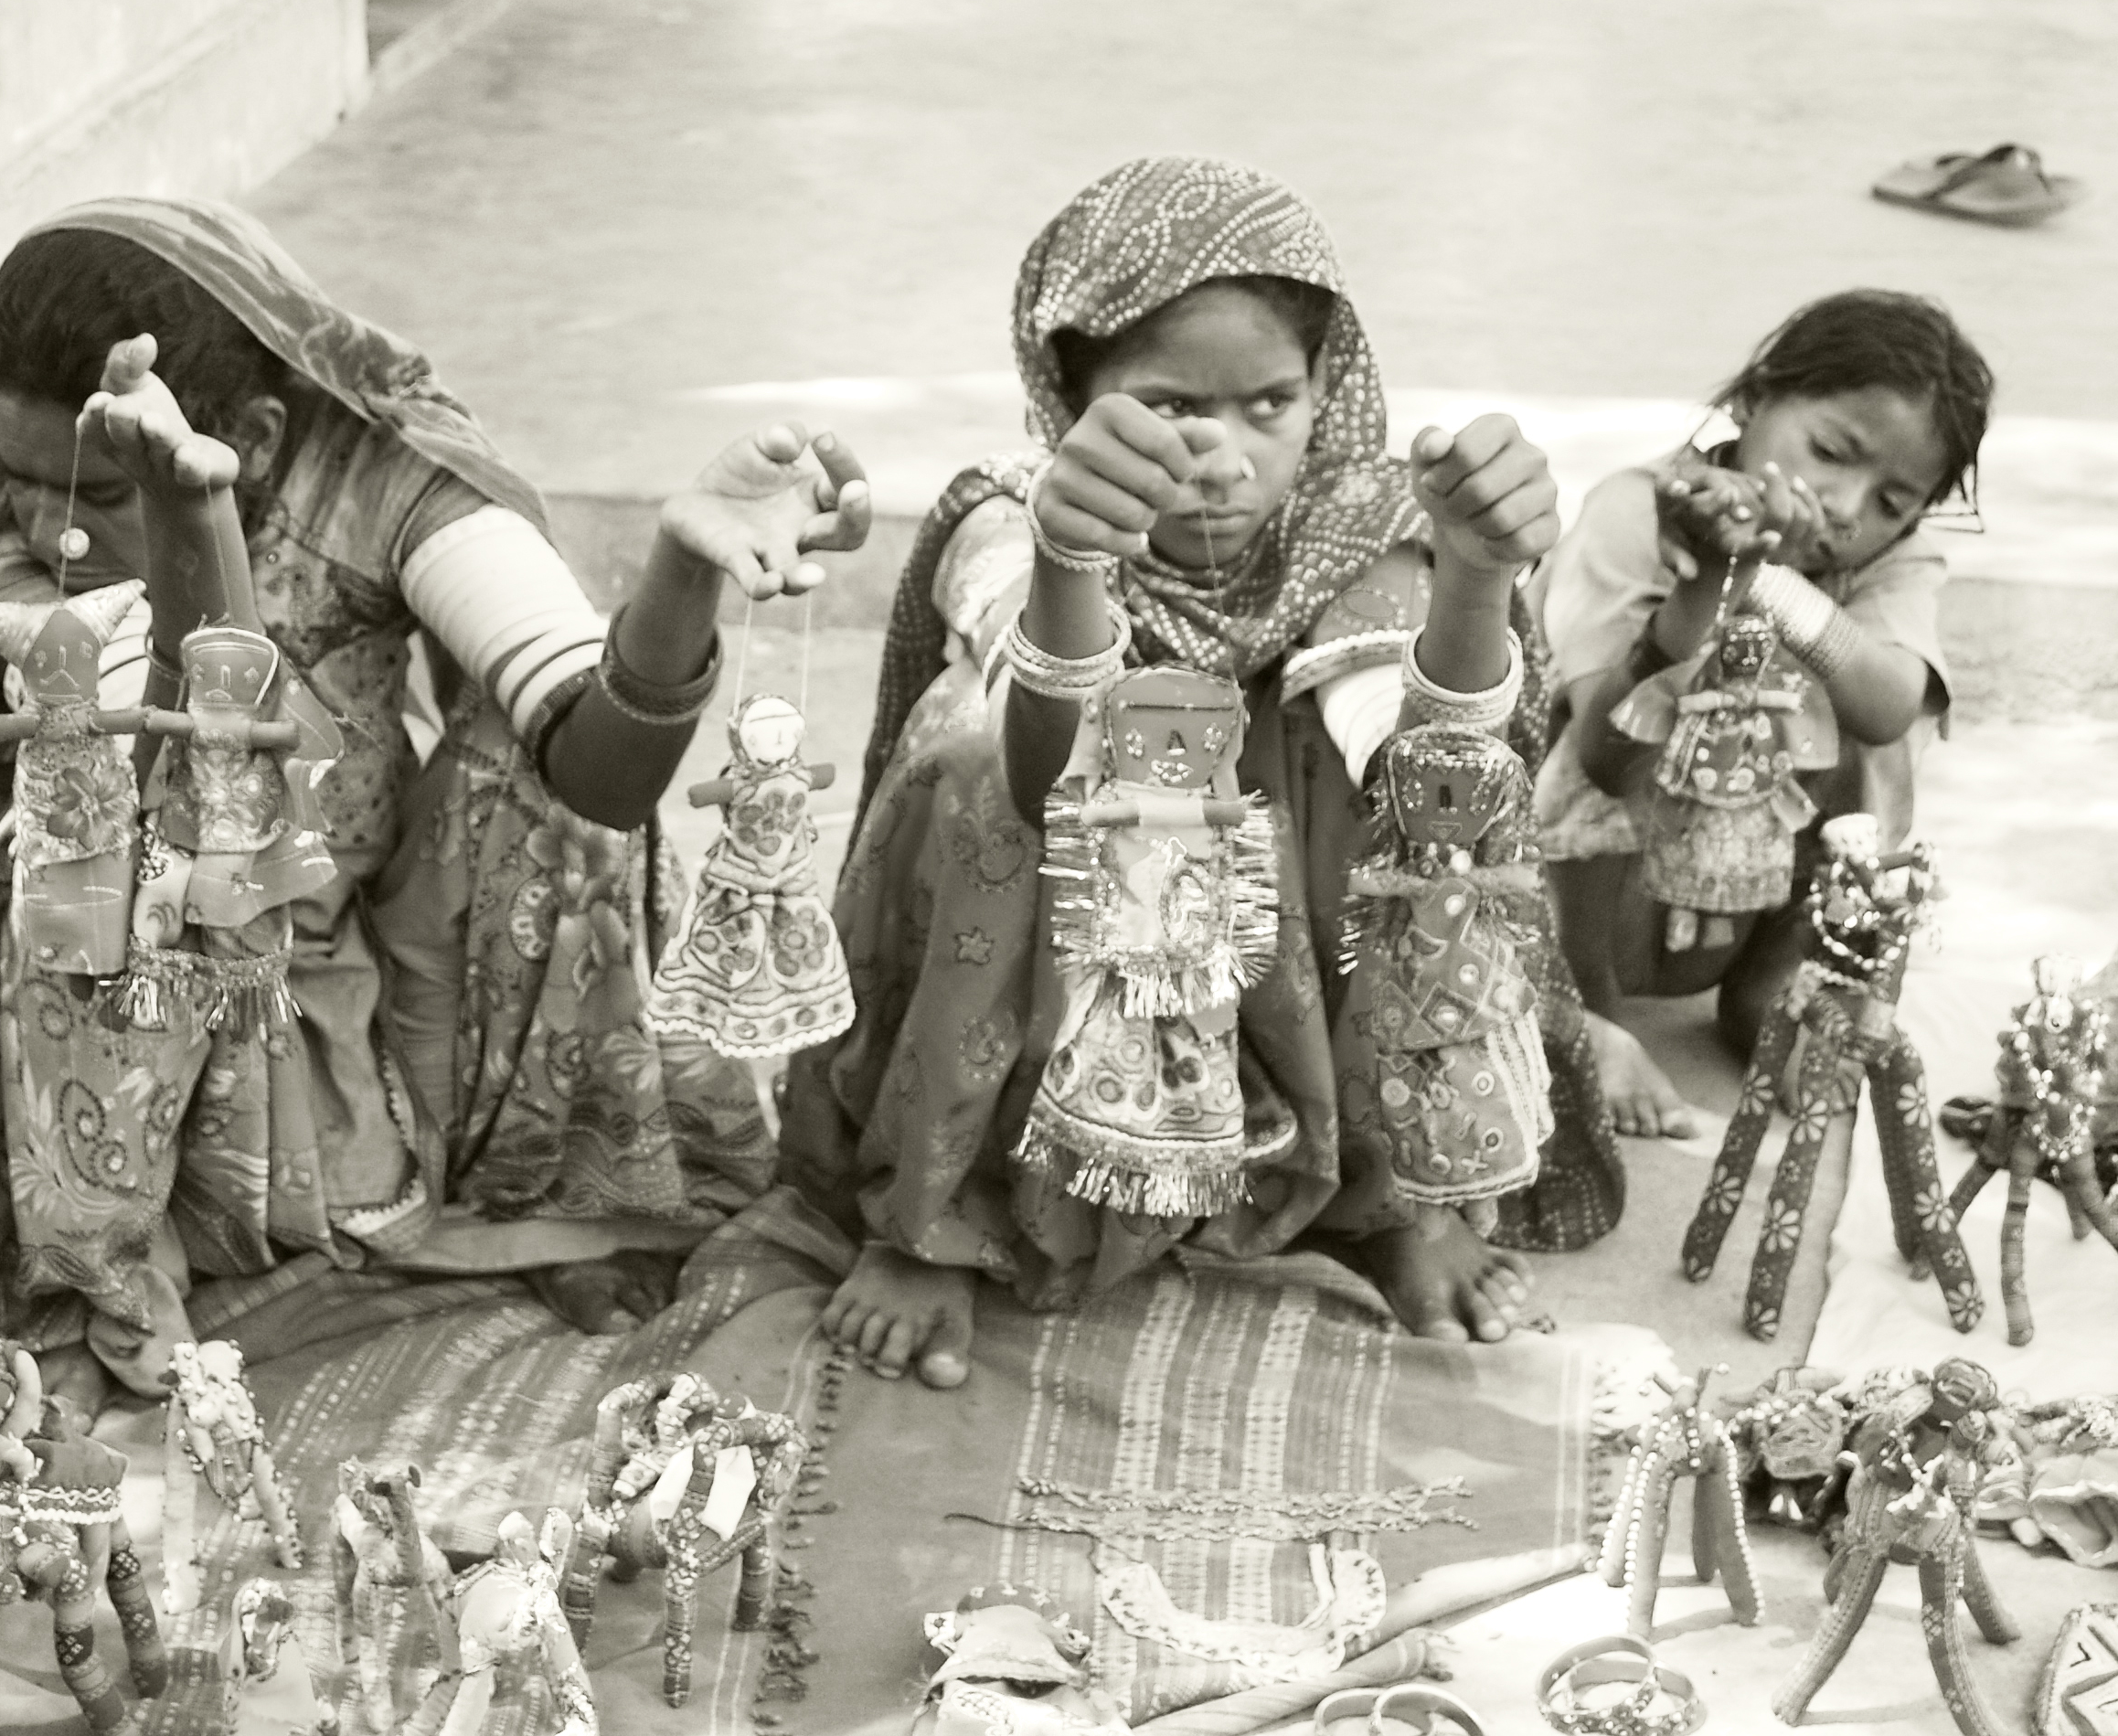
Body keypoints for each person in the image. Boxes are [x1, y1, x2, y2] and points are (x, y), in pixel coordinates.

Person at [0, 199, 868, 1407]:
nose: (53, 526)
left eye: (98, 495)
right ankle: (101, 1285)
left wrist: (678, 573)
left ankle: (533, 1205)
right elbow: (173, 781)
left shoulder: (368, 472)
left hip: (358, 986)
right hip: (149, 1030)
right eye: (17, 476)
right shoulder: (8, 547)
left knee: (535, 764)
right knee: (83, 812)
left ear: (260, 436)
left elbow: (602, 773)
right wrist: (186, 529)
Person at [783, 157, 1621, 1389]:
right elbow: (1047, 774)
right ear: (1068, 394)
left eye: (1270, 404)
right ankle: (940, 1209)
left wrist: (1478, 575)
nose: (1223, 459)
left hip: (1281, 959)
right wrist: (1072, 565)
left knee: (1407, 824)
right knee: (979, 764)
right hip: (1074, 927)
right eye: (1172, 406)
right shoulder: (1011, 516)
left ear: (1325, 389)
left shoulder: (1373, 530)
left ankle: (1385, 1193)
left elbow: (1428, 775)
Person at [1533, 291, 1987, 1137]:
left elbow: (1888, 708)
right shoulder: (1637, 509)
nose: (1847, 508)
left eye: (1893, 502)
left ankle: (1773, 985)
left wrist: (1766, 583)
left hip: (1751, 884)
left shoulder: (1891, 562)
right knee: (1635, 698)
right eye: (1832, 453)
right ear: (1752, 399)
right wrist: (1708, 578)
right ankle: (1583, 1009)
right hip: (1588, 894)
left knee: (1881, 724)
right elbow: (1598, 755)